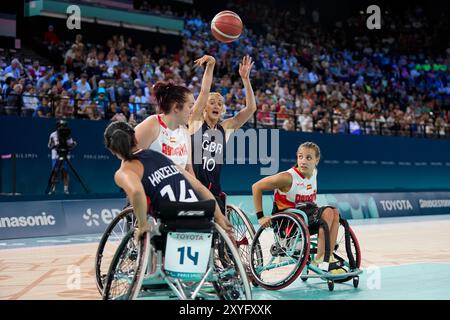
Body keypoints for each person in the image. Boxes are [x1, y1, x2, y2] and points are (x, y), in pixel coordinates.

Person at [103, 121, 233, 240]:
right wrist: (219, 215)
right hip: (199, 213)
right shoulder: (161, 156)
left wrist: (142, 225)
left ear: (113, 150)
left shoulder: (124, 171)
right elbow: (198, 186)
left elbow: (137, 193)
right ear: (135, 138)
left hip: (169, 219)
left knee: (155, 243)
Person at [251, 141, 345, 274]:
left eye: (308, 158)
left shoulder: (314, 173)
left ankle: (328, 257)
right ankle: (319, 261)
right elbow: (256, 187)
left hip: (305, 218)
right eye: (300, 157)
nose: (303, 161)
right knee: (329, 212)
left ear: (316, 160)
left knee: (335, 212)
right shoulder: (287, 178)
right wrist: (260, 217)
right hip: (288, 223)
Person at [188, 55, 256, 214]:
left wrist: (245, 80)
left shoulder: (224, 129)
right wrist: (210, 66)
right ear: (204, 107)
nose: (216, 105)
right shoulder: (196, 122)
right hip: (193, 189)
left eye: (220, 103)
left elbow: (251, 109)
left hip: (215, 191)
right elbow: (204, 91)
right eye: (212, 103)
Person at [134, 81, 195, 175]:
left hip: (178, 189)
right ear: (176, 107)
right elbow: (129, 164)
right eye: (190, 106)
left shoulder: (185, 132)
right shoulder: (152, 125)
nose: (192, 111)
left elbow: (189, 171)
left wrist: (198, 190)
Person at [48, 120, 76, 194]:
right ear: (57, 126)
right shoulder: (52, 135)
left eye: (64, 126)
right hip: (55, 156)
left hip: (66, 155)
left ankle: (66, 189)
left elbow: (72, 145)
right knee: (55, 172)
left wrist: (72, 145)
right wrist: (54, 145)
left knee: (65, 172)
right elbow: (49, 145)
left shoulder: (68, 135)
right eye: (61, 126)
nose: (62, 127)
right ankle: (53, 189)